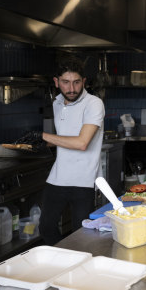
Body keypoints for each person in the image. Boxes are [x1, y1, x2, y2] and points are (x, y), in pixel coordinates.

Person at [16, 57, 105, 245]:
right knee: (46, 227)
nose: (71, 89)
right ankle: (62, 262)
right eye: (65, 82)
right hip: (58, 177)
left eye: (76, 82)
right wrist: (40, 143)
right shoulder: (57, 103)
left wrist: (44, 136)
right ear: (56, 82)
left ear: (84, 82)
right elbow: (66, 138)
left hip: (85, 180)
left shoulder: (93, 103)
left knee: (82, 234)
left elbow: (82, 143)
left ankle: (79, 268)